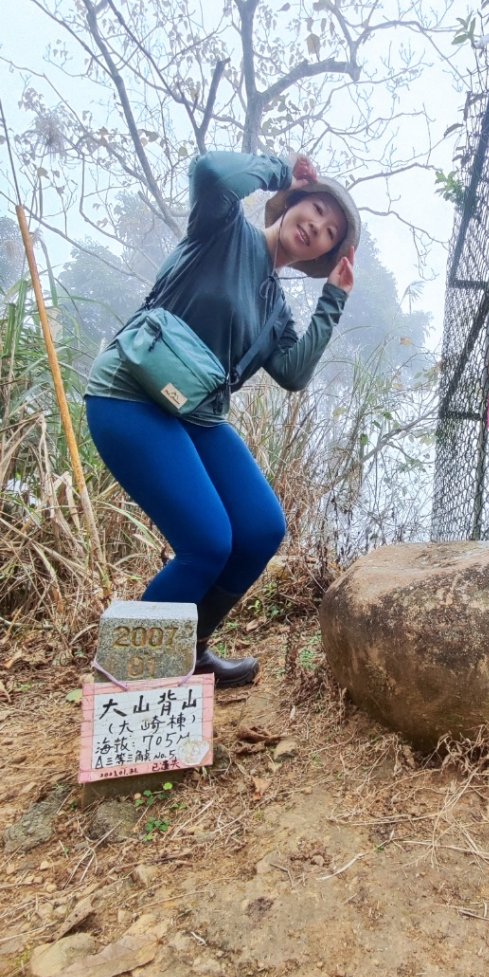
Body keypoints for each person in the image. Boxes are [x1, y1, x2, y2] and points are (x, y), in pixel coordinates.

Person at [85, 151, 359, 687]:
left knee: (260, 528)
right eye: (318, 209)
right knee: (208, 542)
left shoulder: (276, 308)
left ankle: (189, 648)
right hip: (130, 394)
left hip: (195, 415)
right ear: (295, 201)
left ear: (325, 252)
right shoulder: (224, 228)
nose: (317, 228)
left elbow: (294, 373)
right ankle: (125, 682)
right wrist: (284, 169)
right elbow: (211, 172)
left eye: (330, 232)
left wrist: (334, 300)